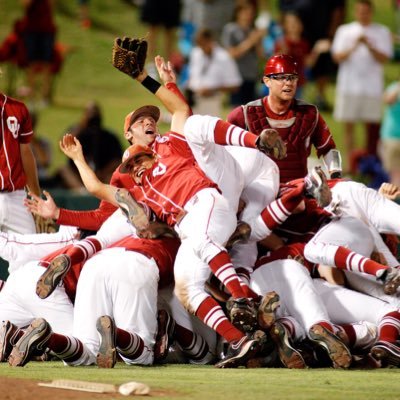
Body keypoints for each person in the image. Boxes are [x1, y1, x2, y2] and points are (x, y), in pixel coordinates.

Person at [227, 54, 342, 183]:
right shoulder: (244, 115)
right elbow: (225, 153)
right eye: (281, 78)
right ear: (267, 81)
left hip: (297, 191)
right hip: (257, 190)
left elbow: (328, 149)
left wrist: (335, 176)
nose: (288, 83)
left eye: (292, 78)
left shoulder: (309, 114)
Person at [331, 0, 393, 173]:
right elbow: (337, 57)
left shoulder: (382, 31)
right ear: (356, 12)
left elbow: (385, 58)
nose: (363, 15)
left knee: (371, 128)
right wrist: (354, 45)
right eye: (360, 11)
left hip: (371, 87)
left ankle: (368, 164)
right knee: (348, 126)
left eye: (366, 12)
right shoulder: (345, 30)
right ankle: (350, 165)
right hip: (349, 86)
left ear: (371, 13)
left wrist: (369, 46)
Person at [0, 89, 41, 245]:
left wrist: (36, 196)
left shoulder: (18, 108)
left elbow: (25, 152)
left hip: (17, 198)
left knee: (30, 257)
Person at [55, 101, 123, 192]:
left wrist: (103, 173)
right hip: (79, 175)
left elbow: (118, 159)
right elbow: (63, 145)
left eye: (95, 113)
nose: (93, 116)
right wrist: (82, 124)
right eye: (90, 113)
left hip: (102, 177)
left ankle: (102, 191)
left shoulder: (109, 136)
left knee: (116, 173)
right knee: (63, 170)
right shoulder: (77, 132)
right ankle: (82, 193)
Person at [187, 28, 242, 116]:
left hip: (212, 100)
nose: (201, 47)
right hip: (193, 99)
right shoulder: (195, 53)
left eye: (203, 44)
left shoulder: (224, 57)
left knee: (209, 128)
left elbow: (235, 84)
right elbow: (192, 76)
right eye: (199, 44)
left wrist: (212, 90)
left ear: (210, 41)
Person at [221, 0, 264, 106]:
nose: (248, 15)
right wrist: (251, 41)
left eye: (251, 12)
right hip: (236, 77)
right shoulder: (230, 29)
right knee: (237, 110)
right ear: (238, 13)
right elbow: (231, 54)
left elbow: (261, 55)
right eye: (245, 12)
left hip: (252, 76)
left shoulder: (253, 30)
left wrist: (259, 40)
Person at [20, 0, 57, 107]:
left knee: (47, 64)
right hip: (31, 30)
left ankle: (44, 97)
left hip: (47, 29)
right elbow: (25, 4)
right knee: (31, 64)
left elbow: (52, 4)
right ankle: (31, 97)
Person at [379, 78, 400, 187]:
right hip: (392, 138)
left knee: (395, 175)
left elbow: (387, 99)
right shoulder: (394, 89)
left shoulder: (393, 88)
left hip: (391, 138)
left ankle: (396, 201)